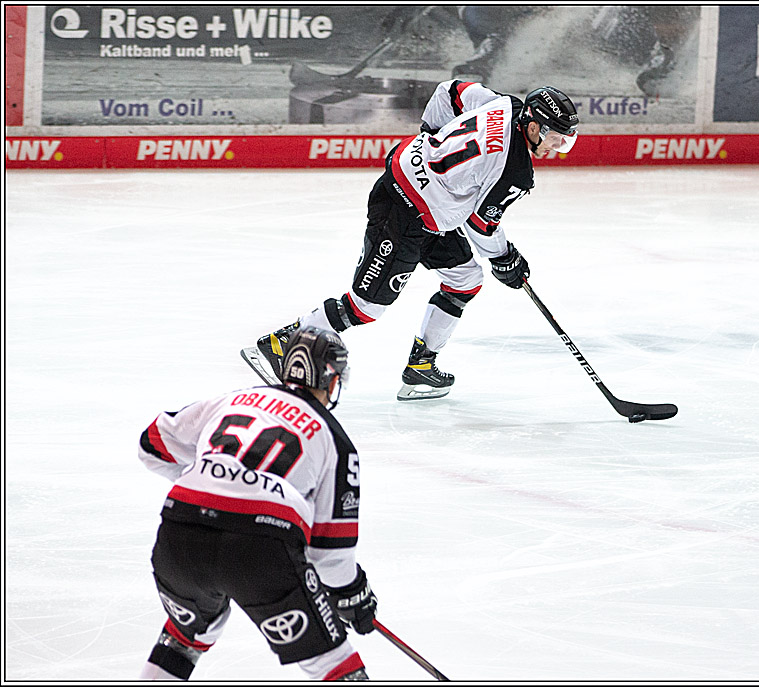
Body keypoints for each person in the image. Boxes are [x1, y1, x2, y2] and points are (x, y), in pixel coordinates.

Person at [253, 79, 579, 401]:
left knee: (465, 279)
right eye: (554, 139)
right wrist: (505, 258)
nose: (556, 149)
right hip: (403, 210)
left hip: (427, 202)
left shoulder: (506, 104)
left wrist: (431, 138)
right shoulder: (516, 170)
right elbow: (481, 224)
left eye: (564, 143)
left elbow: (450, 91)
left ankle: (421, 367)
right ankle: (284, 343)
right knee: (367, 307)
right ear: (534, 127)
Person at [138, 327, 378, 681]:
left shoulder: (232, 400)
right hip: (259, 551)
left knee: (185, 636)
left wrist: (217, 477)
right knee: (332, 663)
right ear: (331, 379)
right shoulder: (335, 440)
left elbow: (151, 445)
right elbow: (330, 558)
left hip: (181, 531)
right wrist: (355, 595)